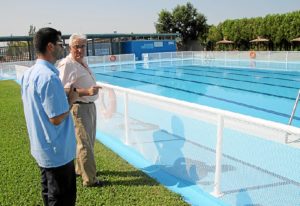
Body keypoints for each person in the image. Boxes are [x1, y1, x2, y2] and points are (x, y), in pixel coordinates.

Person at [20, 28, 77, 205]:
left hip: (42, 149)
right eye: (61, 44)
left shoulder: (29, 74)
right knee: (61, 199)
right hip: (57, 152)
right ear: (50, 46)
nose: (64, 48)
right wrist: (72, 99)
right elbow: (56, 118)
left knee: (49, 195)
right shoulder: (49, 77)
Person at [58, 33, 102, 187]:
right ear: (70, 47)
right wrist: (86, 92)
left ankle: (79, 169)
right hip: (79, 107)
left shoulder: (81, 61)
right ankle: (90, 179)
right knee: (85, 144)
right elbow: (62, 89)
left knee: (88, 141)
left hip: (89, 106)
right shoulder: (67, 64)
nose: (80, 49)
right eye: (77, 46)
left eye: (83, 46)